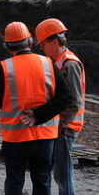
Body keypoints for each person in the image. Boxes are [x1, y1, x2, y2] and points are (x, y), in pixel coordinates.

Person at [0, 22, 72, 195]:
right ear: (30, 42)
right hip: (44, 137)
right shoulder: (49, 64)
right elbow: (66, 98)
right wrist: (38, 115)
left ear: (8, 46)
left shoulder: (3, 68)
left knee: (14, 180)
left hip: (15, 138)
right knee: (42, 181)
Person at [35, 19, 86, 195]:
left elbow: (75, 102)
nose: (41, 48)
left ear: (54, 42)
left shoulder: (69, 64)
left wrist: (61, 126)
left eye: (42, 43)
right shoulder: (59, 61)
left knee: (63, 176)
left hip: (65, 128)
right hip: (58, 128)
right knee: (58, 173)